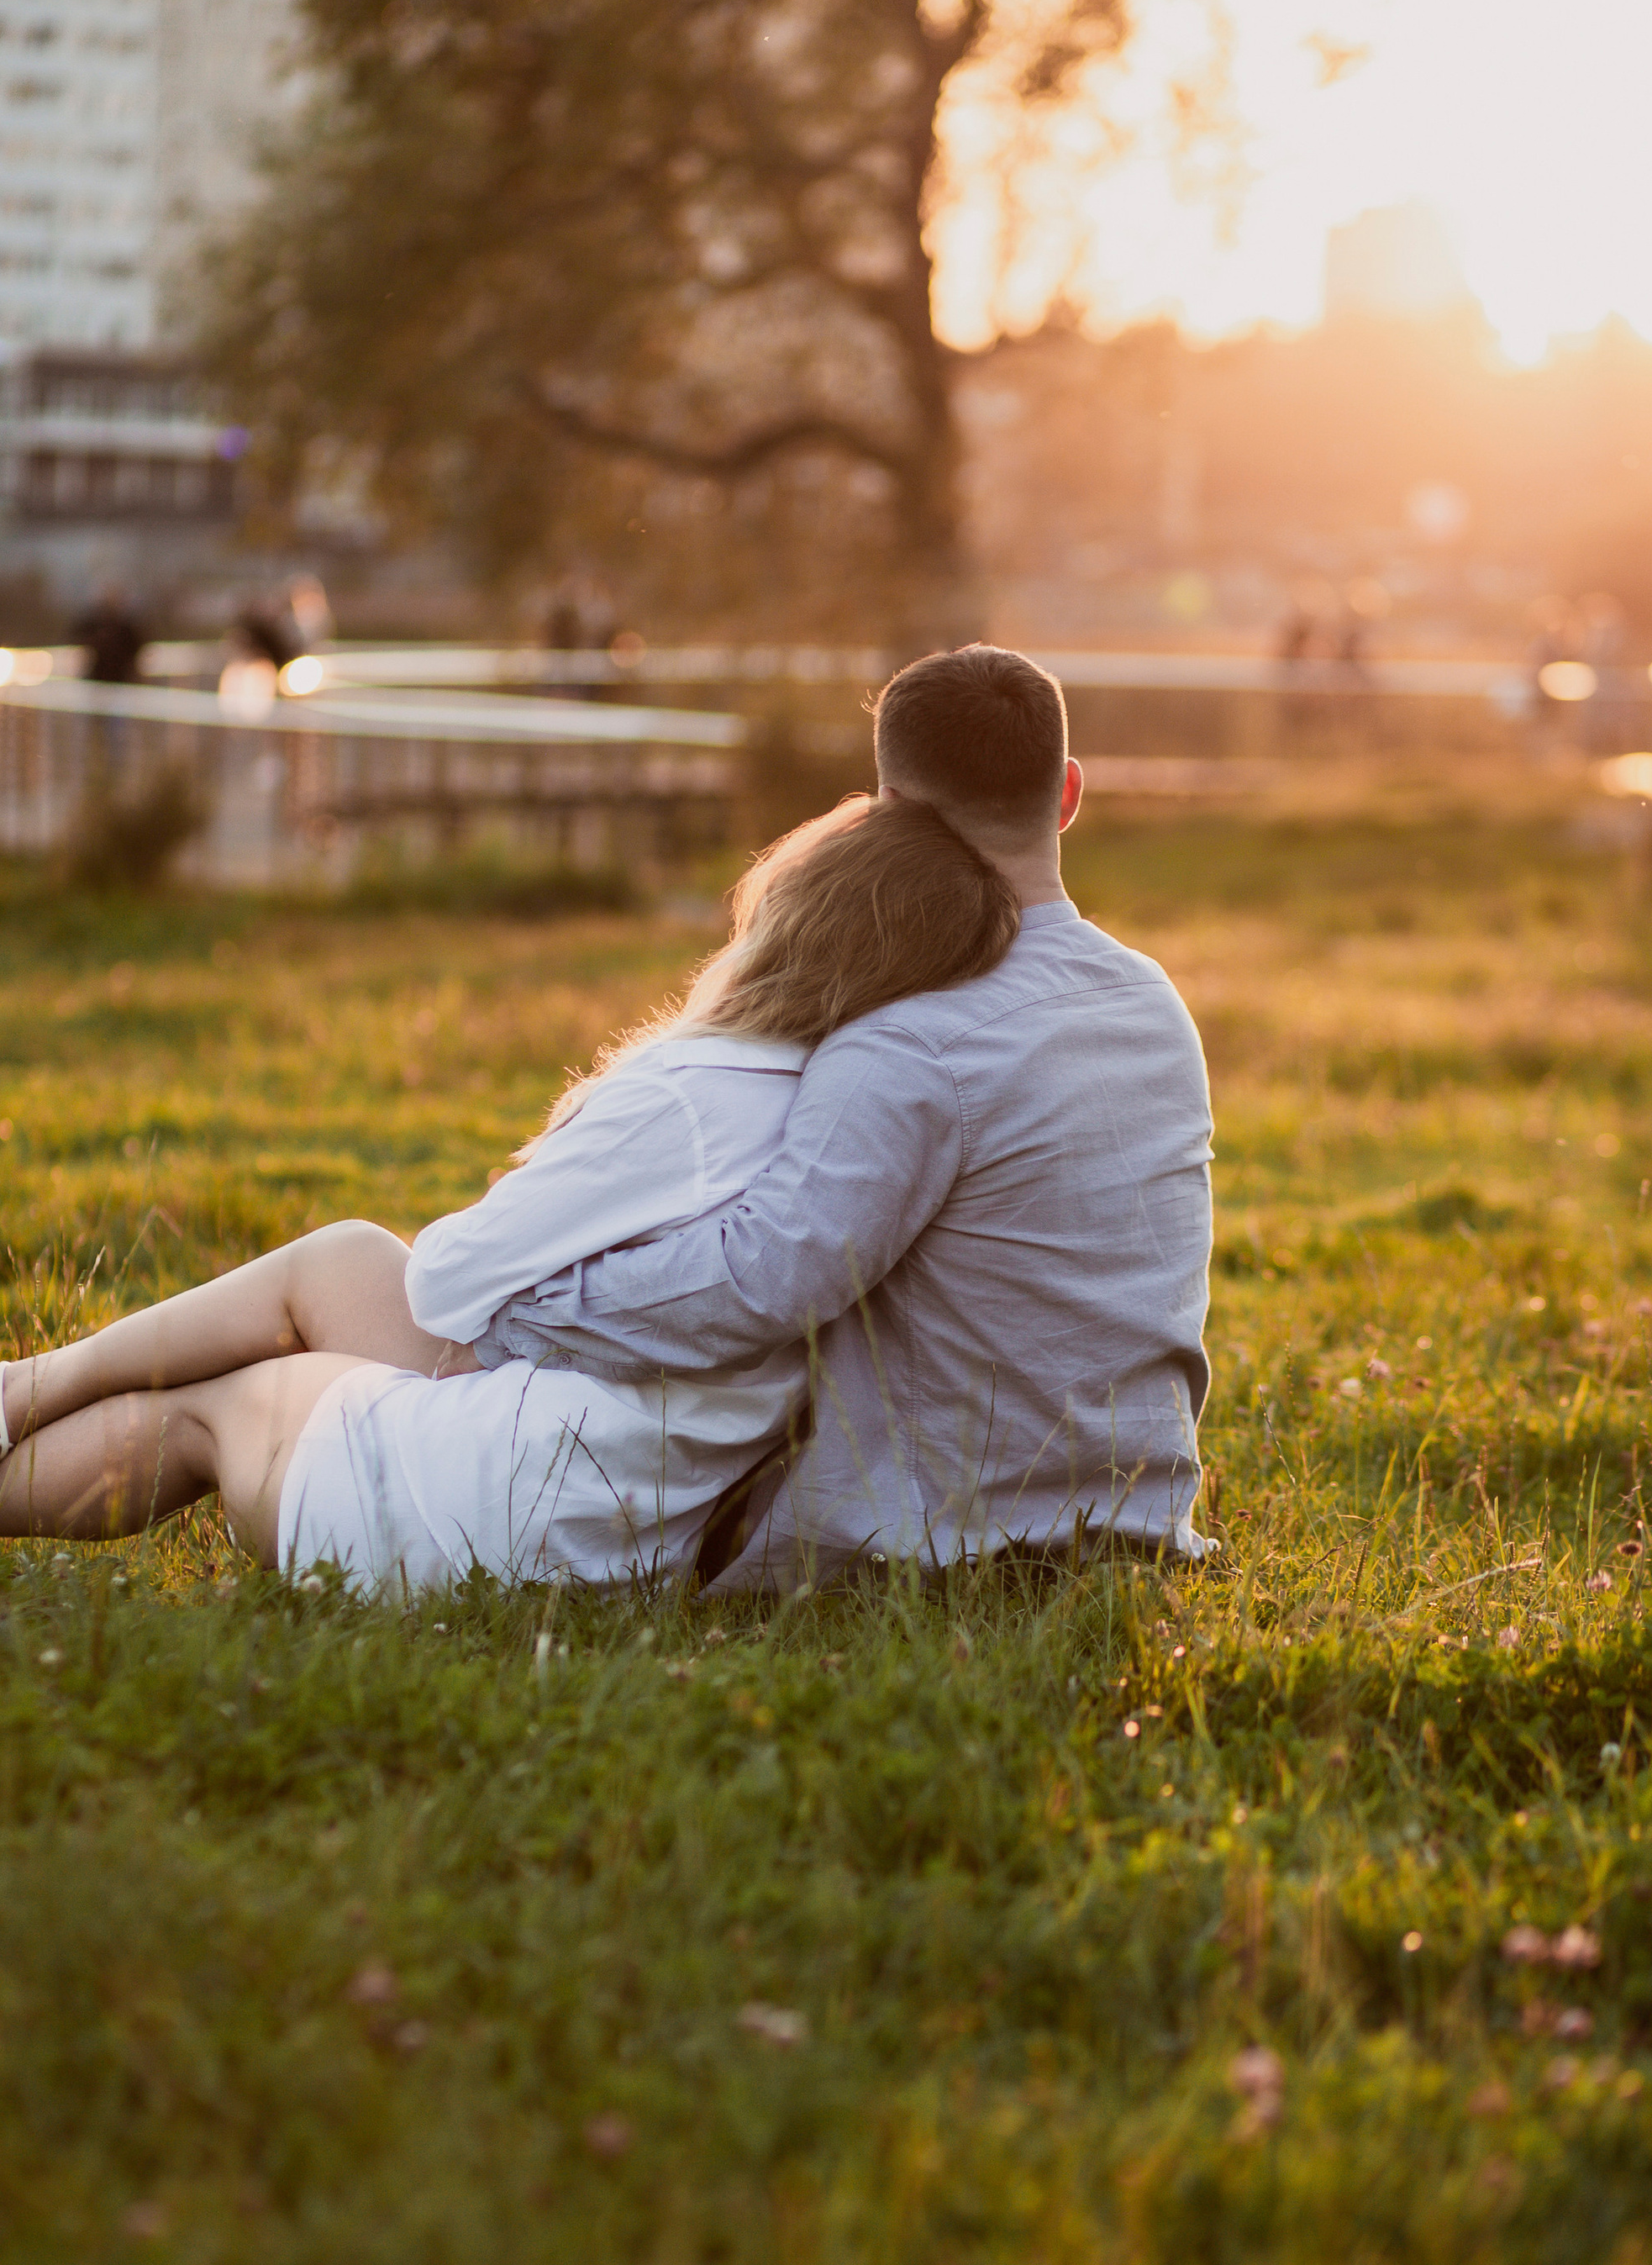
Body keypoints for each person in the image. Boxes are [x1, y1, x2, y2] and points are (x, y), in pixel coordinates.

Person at [0, 793, 1022, 1587]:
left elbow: (458, 1279)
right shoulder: (843, 1122)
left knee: (217, 1407)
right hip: (636, 1499)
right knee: (336, 1258)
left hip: (529, 1515)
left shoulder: (696, 1092)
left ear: (789, 914)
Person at [473, 644, 1215, 1585]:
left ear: (888, 814)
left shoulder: (909, 1039)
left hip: (938, 1546)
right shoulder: (1152, 1003)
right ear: (1068, 794)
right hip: (1133, 1519)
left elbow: (764, 1280)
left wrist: (529, 1303)